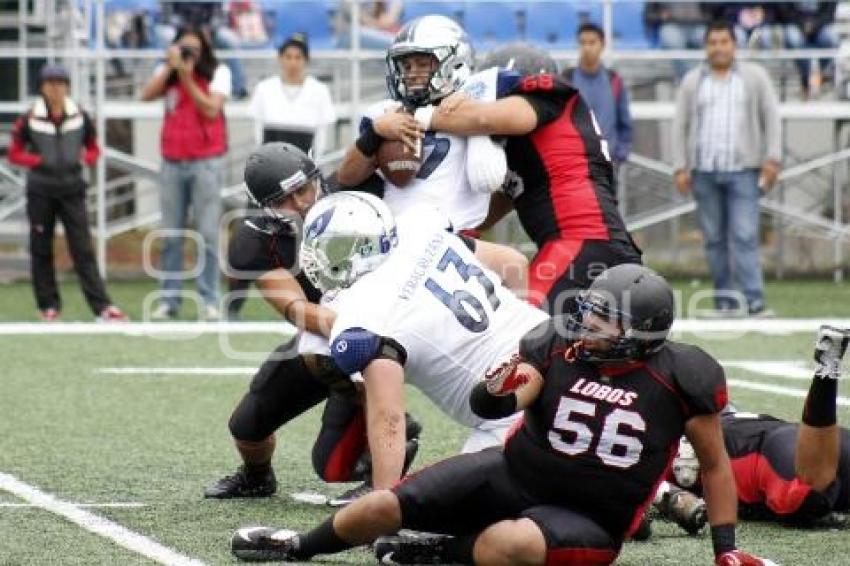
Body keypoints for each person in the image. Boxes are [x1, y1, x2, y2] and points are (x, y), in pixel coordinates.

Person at [230, 264, 775, 566]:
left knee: (505, 546)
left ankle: (445, 555)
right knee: (386, 504)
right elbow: (500, 402)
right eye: (588, 312)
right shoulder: (555, 346)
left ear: (640, 334)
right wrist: (496, 391)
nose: (586, 325)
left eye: (603, 321)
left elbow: (716, 465)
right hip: (512, 474)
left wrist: (725, 551)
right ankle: (300, 546)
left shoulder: (683, 377)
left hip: (591, 518)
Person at [206, 145, 527, 503]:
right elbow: (299, 310)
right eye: (284, 199)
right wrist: (358, 329)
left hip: (392, 329)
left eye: (303, 189)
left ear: (316, 178)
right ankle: (257, 476)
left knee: (341, 456)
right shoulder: (256, 239)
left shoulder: (363, 203)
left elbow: (497, 257)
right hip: (335, 335)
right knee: (248, 427)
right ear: (264, 207)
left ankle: (383, 477)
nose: (300, 203)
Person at [407, 43, 643, 315]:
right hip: (599, 244)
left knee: (521, 334)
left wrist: (420, 117)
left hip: (579, 242)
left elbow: (487, 119)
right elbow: (504, 197)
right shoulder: (540, 148)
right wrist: (458, 234)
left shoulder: (547, 91)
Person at [337, 14, 502, 235]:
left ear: (456, 64)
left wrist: (470, 97)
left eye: (423, 64)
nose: (412, 74)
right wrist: (375, 133)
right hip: (394, 235)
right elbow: (346, 177)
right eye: (407, 65)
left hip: (454, 237)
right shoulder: (385, 113)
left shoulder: (477, 107)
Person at [670, 325, 850, 525]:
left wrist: (672, 498)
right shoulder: (716, 415)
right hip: (815, 439)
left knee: (812, 491)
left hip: (775, 452)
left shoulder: (675, 439)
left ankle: (826, 368)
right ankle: (826, 369)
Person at [672, 21, 782, 318]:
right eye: (713, 42)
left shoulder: (754, 77)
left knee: (745, 235)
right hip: (704, 172)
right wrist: (680, 166)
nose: (718, 47)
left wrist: (773, 158)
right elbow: (679, 124)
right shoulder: (693, 81)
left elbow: (771, 117)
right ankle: (725, 303)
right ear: (706, 47)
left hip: (743, 170)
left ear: (734, 45)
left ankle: (755, 301)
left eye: (724, 41)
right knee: (715, 239)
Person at [8, 64, 128, 323]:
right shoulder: (30, 118)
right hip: (41, 191)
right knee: (41, 249)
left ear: (67, 86)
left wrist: (84, 158)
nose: (55, 88)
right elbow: (14, 153)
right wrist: (37, 161)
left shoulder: (80, 117)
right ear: (42, 87)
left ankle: (102, 307)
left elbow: (95, 148)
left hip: (73, 190)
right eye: (50, 83)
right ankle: (48, 307)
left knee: (82, 249)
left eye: (60, 82)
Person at [141, 27, 231, 321]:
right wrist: (171, 66)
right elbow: (146, 95)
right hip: (172, 162)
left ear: (205, 49)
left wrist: (188, 76)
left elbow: (210, 110)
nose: (188, 54)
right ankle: (169, 300)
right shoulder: (167, 73)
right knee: (171, 235)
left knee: (207, 233)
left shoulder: (219, 72)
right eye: (184, 48)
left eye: (194, 49)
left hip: (206, 162)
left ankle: (209, 300)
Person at [249, 33, 337, 156]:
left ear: (306, 60)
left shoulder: (320, 90)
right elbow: (258, 131)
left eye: (298, 57)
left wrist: (315, 164)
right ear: (280, 58)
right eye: (288, 57)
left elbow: (321, 134)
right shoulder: (264, 88)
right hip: (270, 162)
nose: (293, 62)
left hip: (304, 162)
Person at [562, 23, 633, 166]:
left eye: (592, 42)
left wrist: (620, 154)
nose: (587, 48)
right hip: (574, 164)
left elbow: (625, 123)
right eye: (582, 43)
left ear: (603, 45)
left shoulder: (614, 80)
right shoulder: (566, 79)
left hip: (608, 164)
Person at [777, 2, 838, 98]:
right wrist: (803, 25)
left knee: (831, 38)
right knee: (792, 37)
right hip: (796, 24)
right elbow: (785, 11)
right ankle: (806, 78)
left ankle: (820, 76)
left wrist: (814, 26)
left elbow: (829, 12)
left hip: (820, 25)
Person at [644, 2, 711, 78]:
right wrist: (660, 16)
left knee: (712, 41)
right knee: (672, 41)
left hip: (698, 25)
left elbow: (712, 12)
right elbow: (649, 15)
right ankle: (689, 78)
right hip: (672, 25)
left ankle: (704, 76)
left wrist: (704, 16)